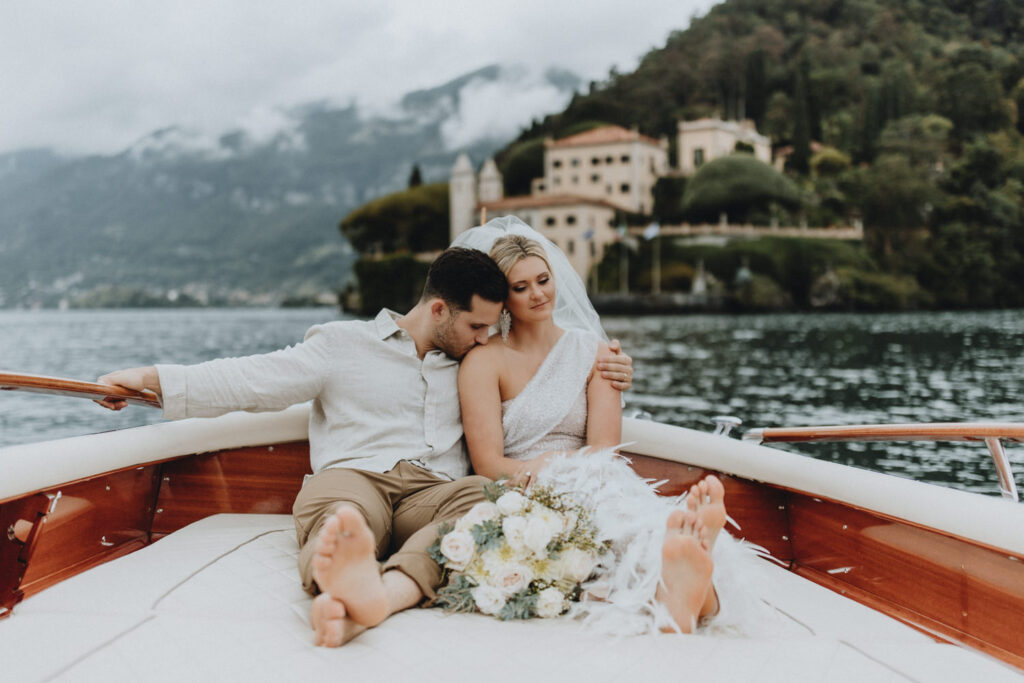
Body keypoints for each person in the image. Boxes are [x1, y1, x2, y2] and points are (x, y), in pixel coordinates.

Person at [95, 246, 635, 648]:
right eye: (476, 325)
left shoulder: (472, 362)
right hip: (356, 476)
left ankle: (385, 587)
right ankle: (340, 567)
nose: (483, 338)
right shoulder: (341, 345)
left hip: (434, 489)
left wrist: (615, 365)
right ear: (439, 310)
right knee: (343, 514)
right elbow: (252, 380)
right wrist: (150, 378)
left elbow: (538, 375)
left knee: (484, 500)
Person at [452, 217, 745, 634]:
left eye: (543, 279)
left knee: (615, 505)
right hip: (523, 485)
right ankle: (681, 579)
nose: (538, 294)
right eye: (521, 287)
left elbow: (605, 451)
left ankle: (682, 571)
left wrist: (572, 468)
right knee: (594, 517)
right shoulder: (484, 362)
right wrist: (549, 467)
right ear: (502, 297)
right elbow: (486, 462)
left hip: (595, 474)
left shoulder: (596, 352)